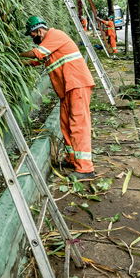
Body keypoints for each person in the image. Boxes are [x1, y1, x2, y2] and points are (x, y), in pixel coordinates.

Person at [19, 16, 96, 177]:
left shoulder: (55, 35)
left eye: (32, 35)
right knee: (66, 125)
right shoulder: (50, 45)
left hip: (77, 85)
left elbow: (37, 54)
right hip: (67, 89)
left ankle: (85, 168)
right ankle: (72, 159)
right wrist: (16, 64)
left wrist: (18, 54)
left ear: (39, 30)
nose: (33, 38)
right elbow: (38, 61)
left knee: (79, 126)